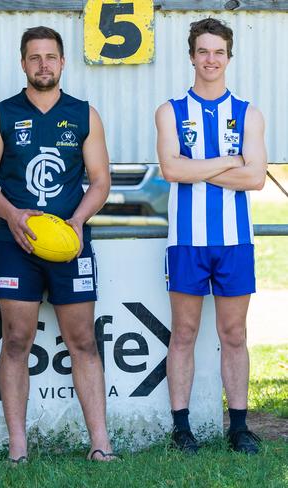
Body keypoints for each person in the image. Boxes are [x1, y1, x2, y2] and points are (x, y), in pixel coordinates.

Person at [0, 26, 116, 463]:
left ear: (62, 62)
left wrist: (76, 220)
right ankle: (19, 446)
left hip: (69, 245)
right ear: (22, 63)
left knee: (84, 342)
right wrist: (13, 215)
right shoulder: (1, 115)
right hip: (17, 243)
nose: (43, 65)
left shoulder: (84, 114)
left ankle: (100, 443)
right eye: (34, 58)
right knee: (16, 340)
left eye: (50, 57)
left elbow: (101, 181)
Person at [155, 17, 267, 454]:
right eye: (203, 51)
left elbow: (256, 178)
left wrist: (198, 166)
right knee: (183, 332)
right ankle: (181, 427)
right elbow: (171, 170)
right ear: (191, 56)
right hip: (186, 240)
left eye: (218, 52)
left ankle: (238, 426)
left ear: (228, 56)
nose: (210, 59)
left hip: (236, 240)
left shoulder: (248, 113)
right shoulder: (170, 111)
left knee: (234, 333)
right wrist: (229, 160)